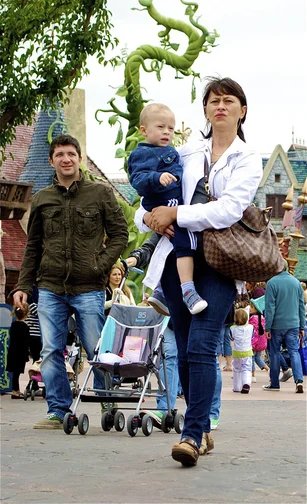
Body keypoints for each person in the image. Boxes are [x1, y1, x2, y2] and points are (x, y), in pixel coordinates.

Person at [134, 76, 263, 466]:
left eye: (228, 100)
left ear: (242, 110)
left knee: (203, 344)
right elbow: (149, 198)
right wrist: (150, 218)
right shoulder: (183, 152)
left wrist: (177, 214)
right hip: (178, 260)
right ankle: (202, 427)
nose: (220, 106)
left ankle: (190, 435)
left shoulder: (248, 157)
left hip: (220, 263)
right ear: (205, 110)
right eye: (213, 101)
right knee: (188, 352)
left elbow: (228, 209)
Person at [12, 133, 128, 428]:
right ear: (52, 161)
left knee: (95, 348)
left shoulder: (100, 193)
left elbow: (120, 235)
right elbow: (33, 246)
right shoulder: (41, 199)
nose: (66, 159)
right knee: (51, 350)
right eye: (60, 154)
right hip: (50, 286)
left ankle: (106, 399)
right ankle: (58, 410)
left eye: (71, 154)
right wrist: (23, 286)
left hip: (88, 287)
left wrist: (99, 265)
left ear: (79, 158)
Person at [126, 233, 222, 435]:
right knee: (173, 355)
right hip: (173, 287)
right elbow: (156, 232)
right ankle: (166, 408)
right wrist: (138, 255)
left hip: (212, 272)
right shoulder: (171, 207)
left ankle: (205, 419)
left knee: (203, 352)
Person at [128, 103, 207, 315]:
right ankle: (188, 290)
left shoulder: (172, 151)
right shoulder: (141, 154)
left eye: (171, 129)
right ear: (144, 130)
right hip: (164, 202)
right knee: (185, 239)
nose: (167, 132)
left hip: (172, 202)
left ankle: (161, 290)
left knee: (170, 240)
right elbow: (136, 180)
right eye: (161, 127)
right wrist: (157, 178)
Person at [262, 261, 305, 393]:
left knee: (275, 352)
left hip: (276, 324)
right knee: (294, 351)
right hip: (293, 323)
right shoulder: (296, 283)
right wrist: (302, 326)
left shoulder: (271, 283)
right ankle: (299, 380)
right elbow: (301, 307)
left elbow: (270, 307)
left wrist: (267, 327)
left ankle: (275, 383)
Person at [7, 305, 30, 398]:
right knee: (17, 372)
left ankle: (16, 389)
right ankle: (15, 391)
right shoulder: (25, 326)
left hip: (13, 351)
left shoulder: (13, 325)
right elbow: (26, 341)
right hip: (20, 352)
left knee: (14, 372)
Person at [230, 308, 253, 394]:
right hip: (247, 351)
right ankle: (246, 383)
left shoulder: (232, 328)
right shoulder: (251, 327)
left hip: (236, 352)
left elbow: (231, 338)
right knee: (246, 369)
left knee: (236, 369)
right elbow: (252, 336)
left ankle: (236, 387)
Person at [248, 296, 269, 382]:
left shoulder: (253, 319)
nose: (249, 308)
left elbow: (253, 333)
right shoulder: (262, 319)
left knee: (252, 357)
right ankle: (268, 369)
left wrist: (252, 343)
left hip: (255, 343)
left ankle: (252, 374)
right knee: (258, 358)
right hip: (261, 342)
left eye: (251, 307)